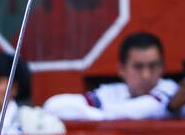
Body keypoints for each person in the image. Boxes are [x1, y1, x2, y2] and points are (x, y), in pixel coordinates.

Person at [44, 32, 178, 121]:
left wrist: (96, 114)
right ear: (122, 69)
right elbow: (53, 106)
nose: (146, 75)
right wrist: (103, 115)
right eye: (138, 67)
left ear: (162, 67)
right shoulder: (110, 92)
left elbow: (146, 109)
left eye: (153, 66)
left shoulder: (171, 89)